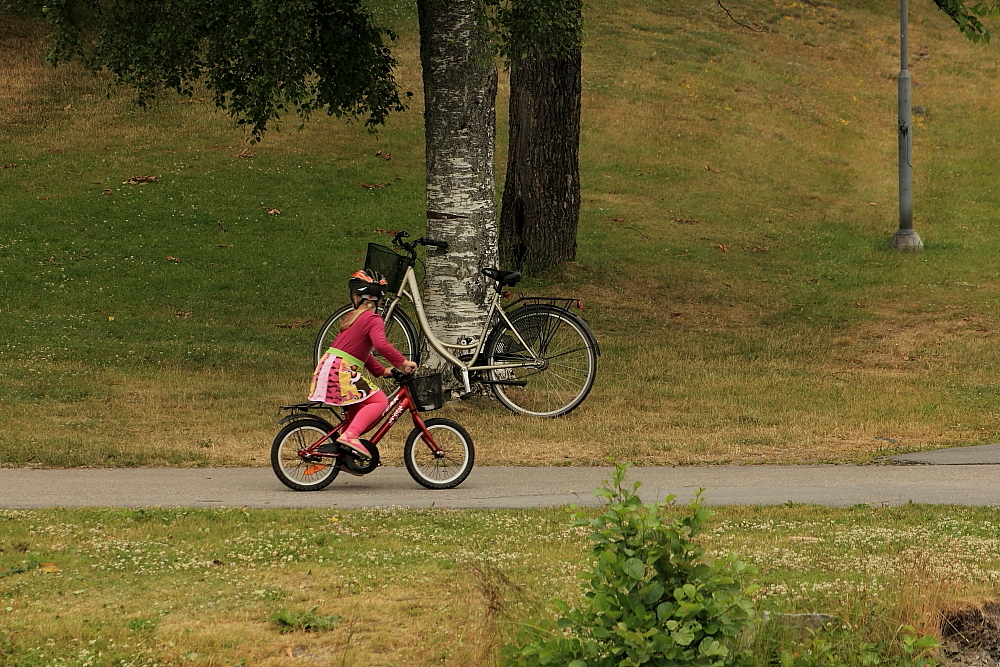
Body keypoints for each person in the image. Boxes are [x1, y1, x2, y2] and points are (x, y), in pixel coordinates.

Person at [308, 269, 418, 459]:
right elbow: (381, 345)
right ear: (378, 300)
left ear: (357, 297)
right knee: (380, 401)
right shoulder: (373, 319)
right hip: (341, 372)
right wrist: (403, 362)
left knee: (360, 411)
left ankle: (346, 453)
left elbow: (361, 351)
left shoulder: (352, 317)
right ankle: (350, 437)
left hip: (329, 367)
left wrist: (382, 371)